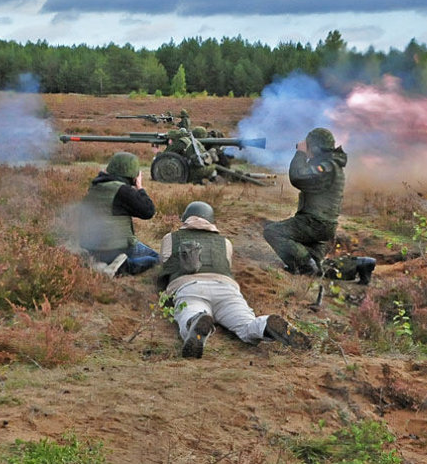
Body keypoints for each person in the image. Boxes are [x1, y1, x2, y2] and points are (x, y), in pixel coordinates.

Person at [157, 201, 310, 359]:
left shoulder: (171, 238)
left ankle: (196, 321)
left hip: (190, 287)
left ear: (185, 219)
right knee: (246, 324)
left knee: (188, 314)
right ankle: (264, 324)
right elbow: (226, 264)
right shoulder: (225, 242)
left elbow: (164, 262)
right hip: (226, 289)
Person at [263, 128, 375, 284]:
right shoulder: (331, 164)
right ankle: (361, 264)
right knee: (321, 266)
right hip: (323, 224)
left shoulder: (327, 167)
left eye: (309, 146)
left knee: (272, 232)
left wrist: (301, 153)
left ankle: (306, 267)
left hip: (315, 222)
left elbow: (297, 177)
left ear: (315, 147)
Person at [78, 151, 159, 277]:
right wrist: (140, 187)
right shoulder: (122, 190)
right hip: (115, 247)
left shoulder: (95, 186)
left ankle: (97, 262)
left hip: (91, 246)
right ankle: (122, 266)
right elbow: (148, 211)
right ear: (133, 173)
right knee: (157, 259)